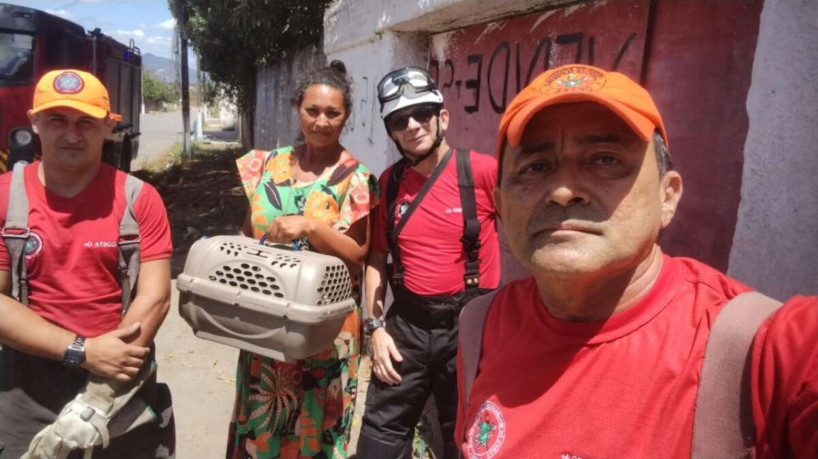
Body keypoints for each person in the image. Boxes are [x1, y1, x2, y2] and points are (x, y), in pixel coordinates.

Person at [455, 64, 818, 458]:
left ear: (668, 196)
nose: (562, 191)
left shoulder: (766, 353)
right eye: (536, 167)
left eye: (605, 160)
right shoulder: (480, 327)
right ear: (501, 206)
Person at [0, 69, 174, 457]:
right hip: (25, 389)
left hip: (119, 383)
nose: (72, 135)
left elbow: (156, 297)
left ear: (109, 127)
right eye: (57, 120)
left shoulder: (138, 199)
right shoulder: (5, 198)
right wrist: (81, 350)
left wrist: (99, 392)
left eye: (86, 123)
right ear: (34, 122)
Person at [227, 60, 379, 459]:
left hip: (326, 331)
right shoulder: (266, 165)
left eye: (334, 113)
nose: (322, 122)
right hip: (266, 322)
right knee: (264, 425)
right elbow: (248, 232)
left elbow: (358, 254)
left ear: (347, 115)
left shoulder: (356, 177)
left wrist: (311, 226)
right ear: (298, 108)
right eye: (313, 110)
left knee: (315, 431)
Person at [356, 67, 500, 459]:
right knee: (378, 442)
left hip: (469, 328)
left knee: (467, 438)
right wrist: (375, 328)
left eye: (422, 114)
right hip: (408, 326)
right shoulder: (388, 184)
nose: (413, 126)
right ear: (390, 131)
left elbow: (527, 235)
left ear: (443, 117)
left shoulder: (482, 172)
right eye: (400, 120)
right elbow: (375, 257)